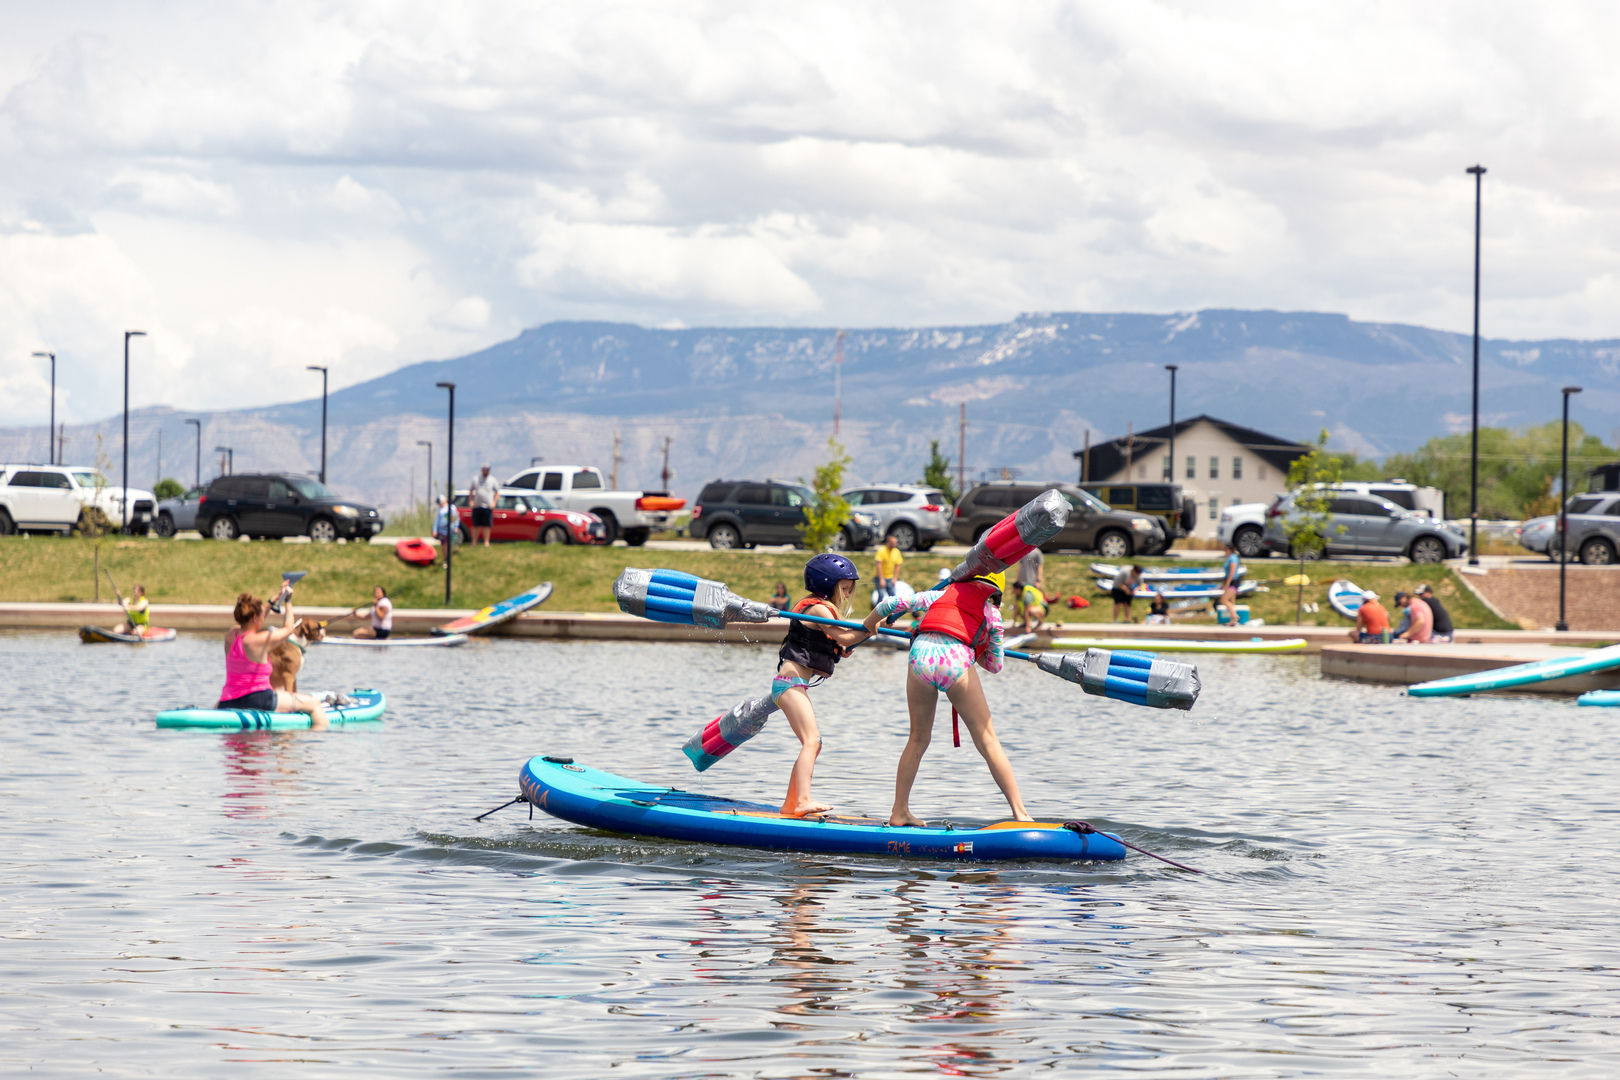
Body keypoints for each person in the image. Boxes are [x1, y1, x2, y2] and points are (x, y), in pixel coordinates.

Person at [864, 570, 1031, 827]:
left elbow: (888, 604)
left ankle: (899, 811)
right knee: (987, 740)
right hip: (955, 663)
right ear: (997, 592)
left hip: (920, 657)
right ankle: (1020, 814)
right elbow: (996, 665)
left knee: (917, 738)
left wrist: (869, 625)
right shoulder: (993, 614)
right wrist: (979, 648)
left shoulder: (940, 594)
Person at [773, 553, 871, 816]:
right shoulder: (817, 608)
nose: (848, 594)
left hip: (793, 684)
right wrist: (874, 620)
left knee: (815, 742)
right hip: (789, 684)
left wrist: (839, 649)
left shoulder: (822, 611)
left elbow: (841, 643)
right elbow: (848, 637)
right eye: (845, 588)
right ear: (828, 585)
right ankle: (803, 800)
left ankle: (790, 803)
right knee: (811, 740)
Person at [218, 584, 329, 728]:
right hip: (259, 700)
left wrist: (275, 599)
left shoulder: (230, 636)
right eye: (261, 616)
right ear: (255, 618)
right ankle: (319, 740)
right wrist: (288, 601)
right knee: (314, 704)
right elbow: (289, 629)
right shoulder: (262, 639)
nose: (263, 617)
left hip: (228, 700)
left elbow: (251, 617)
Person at [469, 463, 500, 547]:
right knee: (476, 525)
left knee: (487, 525)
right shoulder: (475, 479)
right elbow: (471, 490)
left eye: (487, 470)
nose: (486, 471)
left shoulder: (492, 480)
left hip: (487, 506)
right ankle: (474, 542)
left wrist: (494, 503)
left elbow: (497, 492)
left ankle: (486, 542)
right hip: (477, 505)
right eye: (485, 469)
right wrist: (471, 501)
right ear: (482, 470)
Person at [873, 534, 903, 607]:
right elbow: (879, 565)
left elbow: (897, 565)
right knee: (881, 594)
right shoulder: (882, 551)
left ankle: (893, 611)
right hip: (879, 577)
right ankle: (876, 611)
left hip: (890, 577)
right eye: (892, 542)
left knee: (892, 595)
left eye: (895, 542)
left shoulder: (896, 552)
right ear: (888, 542)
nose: (894, 544)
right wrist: (881, 579)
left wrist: (895, 578)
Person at [1217, 541, 1242, 625]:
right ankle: (1233, 621)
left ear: (1229, 550)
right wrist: (1223, 584)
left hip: (1233, 581)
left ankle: (1235, 616)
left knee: (1224, 599)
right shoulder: (1230, 558)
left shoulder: (1233, 558)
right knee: (1231, 601)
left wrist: (1227, 584)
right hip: (1230, 581)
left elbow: (1232, 573)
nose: (1224, 552)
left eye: (1225, 550)